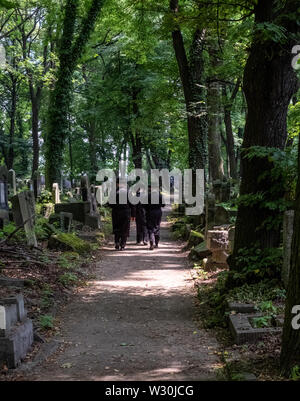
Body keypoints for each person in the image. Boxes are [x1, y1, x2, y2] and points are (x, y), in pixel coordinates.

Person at [109, 180, 132, 251]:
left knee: (117, 227)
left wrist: (115, 206)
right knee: (124, 229)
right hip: (126, 212)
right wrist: (133, 214)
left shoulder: (113, 192)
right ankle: (122, 244)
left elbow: (110, 204)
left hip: (116, 212)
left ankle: (116, 242)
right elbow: (132, 203)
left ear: (117, 184)